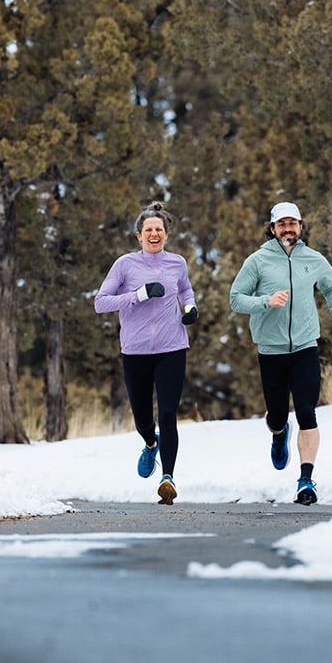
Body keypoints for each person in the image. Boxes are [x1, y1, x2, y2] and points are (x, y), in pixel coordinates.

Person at [228, 201, 332, 505]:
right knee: (277, 415)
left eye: (292, 223)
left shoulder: (313, 259)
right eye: (281, 224)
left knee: (308, 411)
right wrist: (265, 301)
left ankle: (306, 481)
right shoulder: (257, 261)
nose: (288, 228)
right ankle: (278, 432)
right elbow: (236, 299)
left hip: (305, 346)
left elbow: (331, 286)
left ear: (300, 226)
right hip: (271, 351)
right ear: (272, 229)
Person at [95, 202, 198, 505]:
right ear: (138, 235)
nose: (154, 234)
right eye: (148, 230)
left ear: (166, 235)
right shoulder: (125, 265)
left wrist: (190, 309)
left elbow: (185, 291)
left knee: (168, 413)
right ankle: (150, 444)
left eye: (159, 230)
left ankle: (168, 478)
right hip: (135, 351)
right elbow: (100, 303)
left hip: (172, 348)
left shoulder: (177, 263)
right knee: (143, 418)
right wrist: (138, 295)